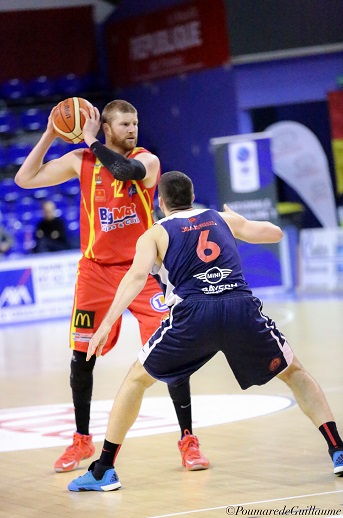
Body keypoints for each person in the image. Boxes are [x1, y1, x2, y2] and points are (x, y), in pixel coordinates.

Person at [67, 170, 343, 492]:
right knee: (294, 372)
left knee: (135, 380)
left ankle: (103, 469)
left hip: (194, 314)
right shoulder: (221, 219)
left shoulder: (154, 234)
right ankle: (337, 449)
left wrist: (106, 323)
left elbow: (136, 278)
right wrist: (237, 219)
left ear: (161, 202)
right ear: (193, 194)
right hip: (239, 305)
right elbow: (275, 234)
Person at [14, 102, 208, 473]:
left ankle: (188, 440)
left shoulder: (147, 160)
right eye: (124, 123)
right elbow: (24, 179)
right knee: (81, 356)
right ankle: (82, 440)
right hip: (95, 273)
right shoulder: (79, 161)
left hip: (139, 271)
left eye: (135, 122)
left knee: (171, 350)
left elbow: (125, 170)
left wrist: (90, 142)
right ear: (106, 126)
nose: (132, 128)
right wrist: (52, 132)